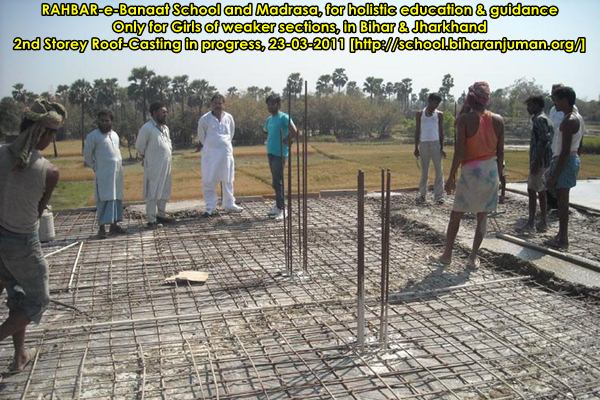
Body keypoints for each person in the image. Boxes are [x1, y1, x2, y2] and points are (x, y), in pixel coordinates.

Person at [0, 99, 65, 373]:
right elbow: (38, 212)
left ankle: (20, 356)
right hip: (21, 242)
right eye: (52, 135)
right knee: (38, 300)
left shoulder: (1, 153)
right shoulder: (48, 171)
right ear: (43, 134)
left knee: (18, 295)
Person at [433, 82, 504, 268]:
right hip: (490, 171)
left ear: (470, 98)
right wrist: (501, 177)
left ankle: (447, 255)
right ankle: (473, 257)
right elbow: (501, 153)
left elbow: (460, 152)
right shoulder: (498, 120)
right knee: (482, 216)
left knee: (456, 215)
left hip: (471, 171)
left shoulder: (465, 120)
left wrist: (451, 177)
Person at [545, 86, 584, 249]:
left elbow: (565, 152)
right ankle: (561, 235)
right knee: (561, 201)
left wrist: (555, 175)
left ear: (565, 100)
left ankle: (563, 239)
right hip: (569, 159)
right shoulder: (576, 117)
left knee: (562, 202)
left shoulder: (570, 121)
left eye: (557, 99)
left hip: (565, 161)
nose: (555, 103)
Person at [197, 94, 243, 216]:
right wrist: (213, 145)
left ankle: (229, 204)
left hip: (226, 154)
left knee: (228, 179)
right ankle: (210, 207)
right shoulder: (204, 119)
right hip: (210, 156)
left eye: (220, 103)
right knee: (209, 180)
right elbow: (201, 137)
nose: (218, 105)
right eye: (215, 103)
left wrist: (222, 145)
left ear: (224, 104)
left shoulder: (229, 118)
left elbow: (231, 134)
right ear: (211, 104)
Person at [84, 110, 126, 238]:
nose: (104, 123)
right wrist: (95, 167)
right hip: (103, 174)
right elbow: (87, 155)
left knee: (116, 197)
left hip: (117, 173)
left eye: (107, 120)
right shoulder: (93, 136)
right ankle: (101, 229)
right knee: (103, 199)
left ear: (111, 121)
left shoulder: (115, 135)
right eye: (101, 121)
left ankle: (114, 226)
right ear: (98, 122)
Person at [516, 95, 553, 233]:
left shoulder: (539, 120)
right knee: (541, 191)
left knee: (532, 190)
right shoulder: (544, 119)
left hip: (540, 161)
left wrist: (536, 162)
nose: (528, 108)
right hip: (544, 160)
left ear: (537, 105)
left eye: (530, 105)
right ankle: (543, 221)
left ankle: (531, 223)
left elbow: (543, 142)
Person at [135, 102, 174, 227]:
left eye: (166, 112)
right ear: (154, 113)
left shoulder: (165, 128)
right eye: (163, 112)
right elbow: (139, 146)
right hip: (153, 166)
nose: (165, 114)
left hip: (166, 165)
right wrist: (146, 158)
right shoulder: (147, 128)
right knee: (153, 191)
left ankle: (161, 215)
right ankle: (151, 219)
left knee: (164, 191)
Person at [263, 94, 298, 220]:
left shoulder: (284, 117)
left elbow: (294, 132)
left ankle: (282, 209)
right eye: (268, 104)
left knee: (277, 181)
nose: (270, 106)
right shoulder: (269, 119)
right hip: (271, 152)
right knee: (275, 181)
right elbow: (266, 131)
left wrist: (287, 140)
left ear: (278, 104)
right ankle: (278, 205)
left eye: (272, 104)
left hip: (280, 153)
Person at [414, 93, 445, 204]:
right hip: (423, 144)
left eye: (438, 103)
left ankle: (439, 196)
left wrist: (442, 147)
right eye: (434, 102)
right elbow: (417, 131)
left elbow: (441, 132)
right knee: (424, 171)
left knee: (439, 171)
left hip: (436, 143)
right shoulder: (420, 114)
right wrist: (416, 147)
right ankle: (422, 195)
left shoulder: (439, 114)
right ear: (429, 101)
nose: (436, 105)